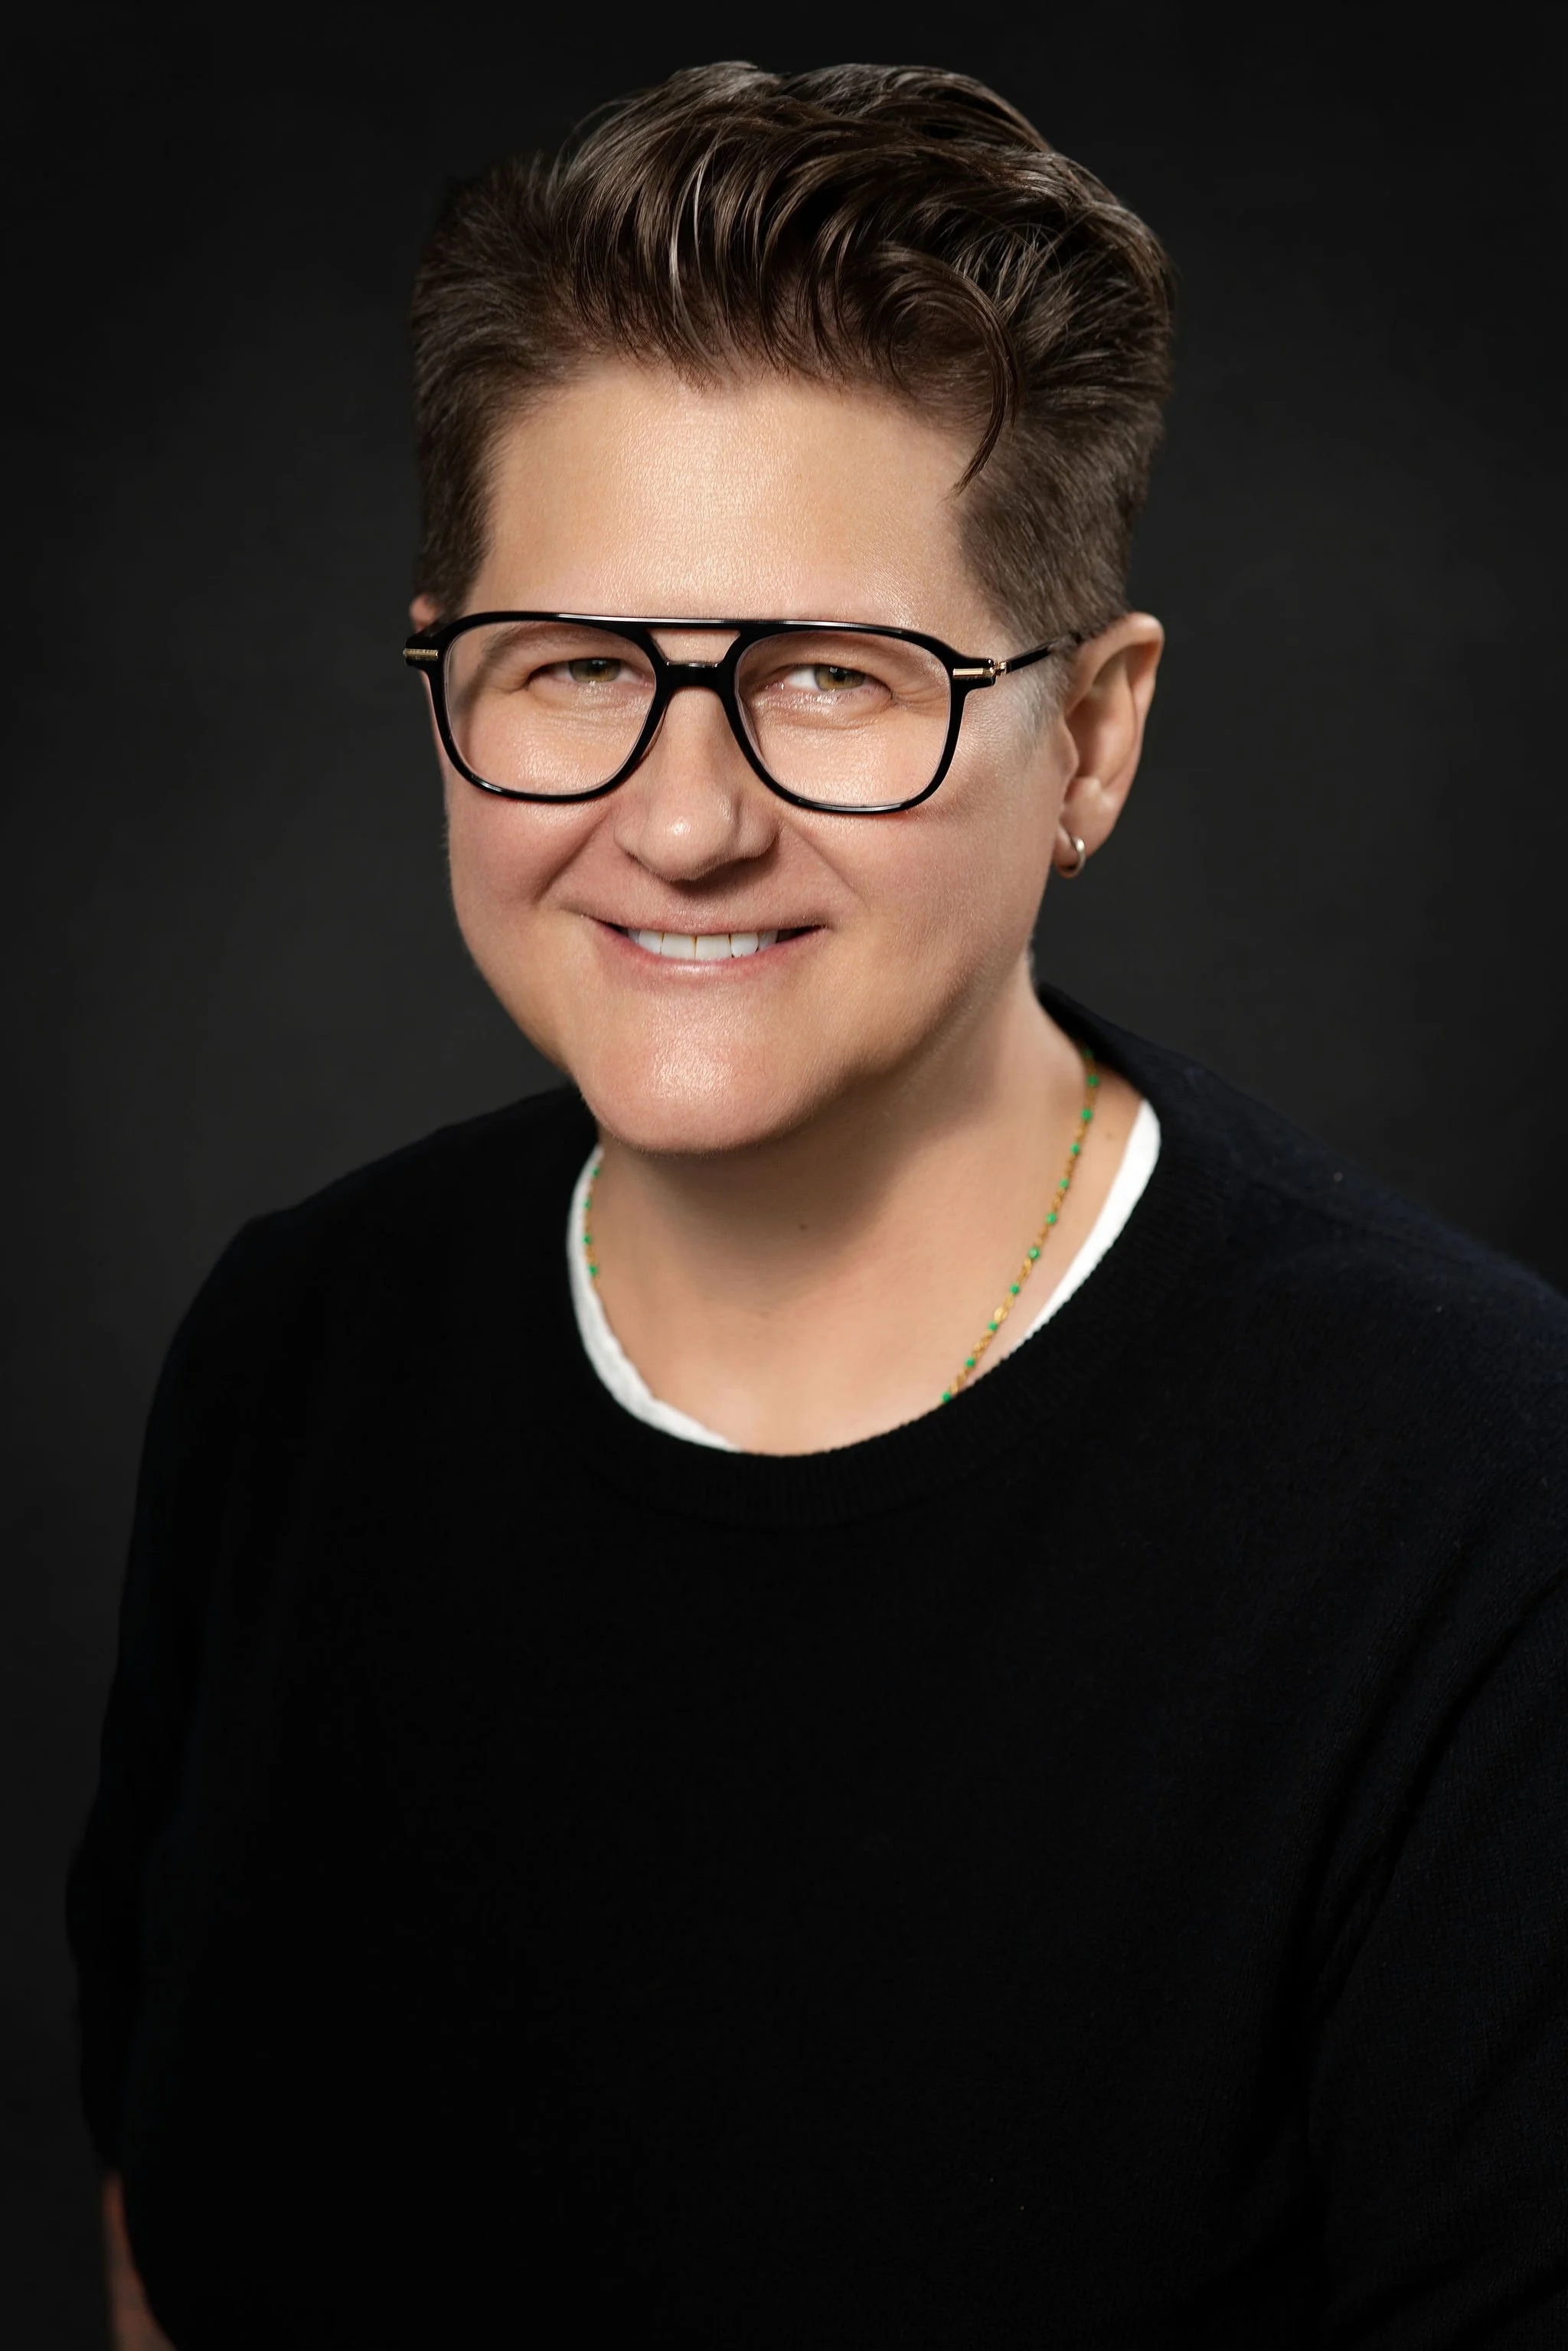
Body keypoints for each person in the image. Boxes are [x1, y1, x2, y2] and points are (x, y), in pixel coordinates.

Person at [66, 60, 1568, 2349]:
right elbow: (158, 2226)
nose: (679, 822)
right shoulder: (295, 1347)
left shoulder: (1478, 1503)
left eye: (828, 683)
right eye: (571, 667)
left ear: (1090, 738)